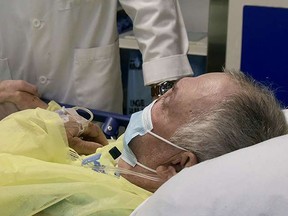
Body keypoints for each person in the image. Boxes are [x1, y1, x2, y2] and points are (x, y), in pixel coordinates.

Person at [0, 71, 287, 215]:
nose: (154, 102)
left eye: (166, 100)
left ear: (177, 164)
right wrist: (105, 150)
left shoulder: (99, 205)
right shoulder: (134, 164)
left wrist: (40, 127)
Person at [0, 1, 193, 119]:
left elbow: (152, 7)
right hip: (7, 101)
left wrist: (167, 94)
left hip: (89, 104)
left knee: (97, 166)